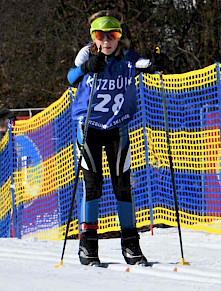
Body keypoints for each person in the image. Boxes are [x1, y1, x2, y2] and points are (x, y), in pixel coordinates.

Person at [68, 11, 167, 266]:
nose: (107, 41)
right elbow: (70, 77)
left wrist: (157, 63)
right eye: (101, 36)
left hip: (117, 128)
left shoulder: (127, 57)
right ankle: (88, 245)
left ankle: (131, 246)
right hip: (89, 128)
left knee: (123, 185)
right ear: (94, 37)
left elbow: (144, 64)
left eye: (112, 35)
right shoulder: (87, 54)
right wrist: (86, 68)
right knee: (93, 186)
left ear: (119, 37)